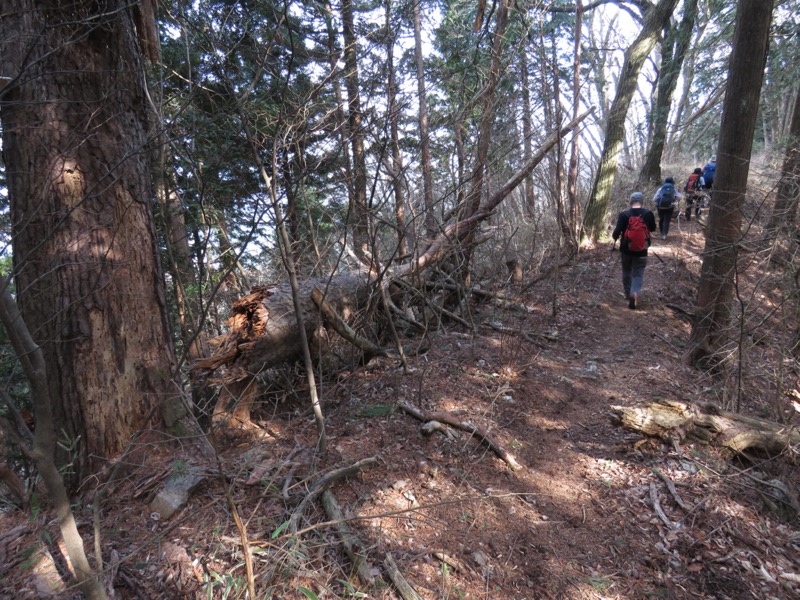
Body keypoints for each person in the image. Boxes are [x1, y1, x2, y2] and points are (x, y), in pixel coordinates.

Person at [612, 192, 657, 310]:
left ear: (630, 202)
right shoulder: (648, 214)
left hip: (626, 250)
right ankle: (635, 292)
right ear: (642, 202)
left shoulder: (624, 214)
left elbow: (616, 233)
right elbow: (653, 228)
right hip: (642, 251)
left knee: (626, 270)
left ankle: (627, 293)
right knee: (638, 273)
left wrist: (616, 237)